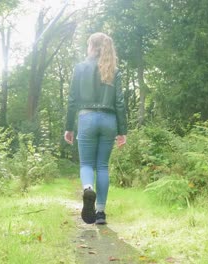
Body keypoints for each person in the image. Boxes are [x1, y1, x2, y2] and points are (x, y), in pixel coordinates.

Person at [64, 32, 127, 225]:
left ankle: (88, 188)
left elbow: (73, 99)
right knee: (102, 166)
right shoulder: (114, 70)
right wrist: (122, 130)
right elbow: (120, 102)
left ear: (91, 47)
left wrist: (69, 127)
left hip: (87, 119)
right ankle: (100, 213)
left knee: (86, 165)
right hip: (108, 120)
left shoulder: (80, 68)